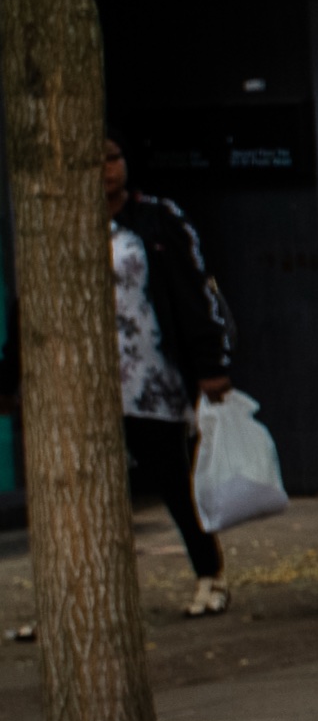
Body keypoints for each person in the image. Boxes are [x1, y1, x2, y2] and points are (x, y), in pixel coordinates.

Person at [104, 143, 235, 618]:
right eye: (94, 159)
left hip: (149, 376)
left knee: (172, 481)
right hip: (92, 383)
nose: (106, 169)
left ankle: (210, 573)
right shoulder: (63, 225)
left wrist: (209, 363)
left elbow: (190, 291)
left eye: (113, 156)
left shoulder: (157, 220)